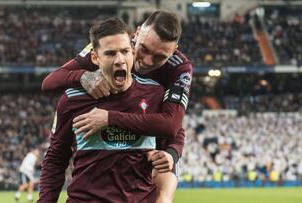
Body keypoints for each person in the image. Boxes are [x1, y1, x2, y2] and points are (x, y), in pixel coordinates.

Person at [41, 10, 193, 203]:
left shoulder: (174, 74)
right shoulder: (109, 46)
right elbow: (48, 83)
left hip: (142, 174)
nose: (146, 61)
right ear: (135, 35)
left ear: (173, 52)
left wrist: (171, 153)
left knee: (163, 197)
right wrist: (81, 76)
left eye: (159, 57)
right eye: (143, 49)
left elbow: (172, 126)